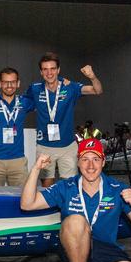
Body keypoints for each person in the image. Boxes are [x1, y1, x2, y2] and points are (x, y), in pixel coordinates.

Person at [20, 138, 131, 262]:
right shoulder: (66, 186)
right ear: (78, 162)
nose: (90, 166)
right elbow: (27, 204)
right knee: (75, 220)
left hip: (106, 250)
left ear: (103, 162)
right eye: (85, 159)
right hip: (75, 248)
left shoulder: (118, 188)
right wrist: (35, 169)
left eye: (95, 159)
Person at [25, 52, 103, 187]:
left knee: (70, 185)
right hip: (44, 146)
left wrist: (92, 77)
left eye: (53, 69)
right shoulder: (35, 88)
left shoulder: (69, 87)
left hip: (67, 146)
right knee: (47, 186)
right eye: (45, 69)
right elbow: (20, 101)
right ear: (41, 72)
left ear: (58, 70)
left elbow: (97, 90)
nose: (49, 73)